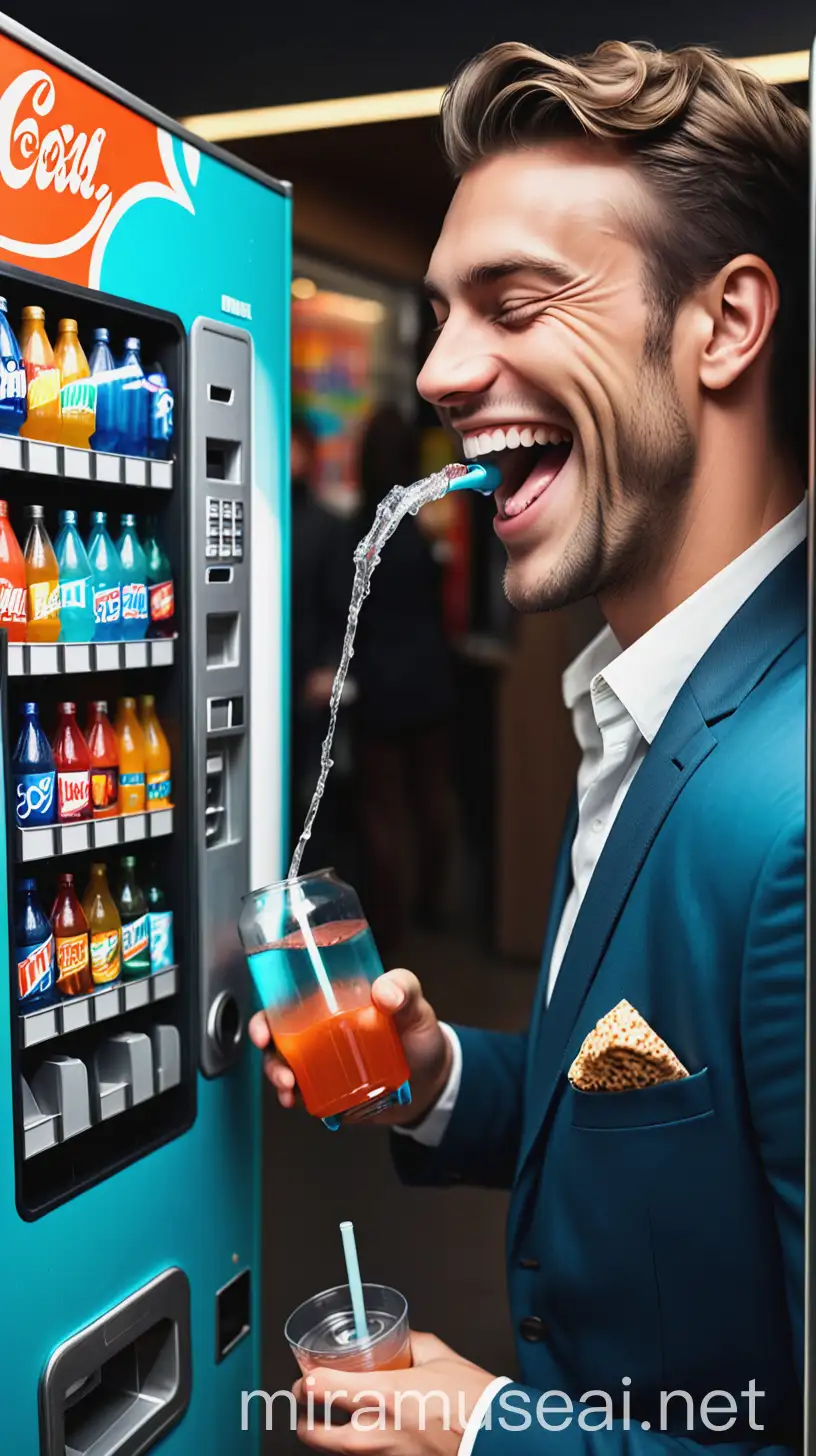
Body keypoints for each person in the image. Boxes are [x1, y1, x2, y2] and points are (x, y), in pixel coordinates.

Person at [254, 41, 807, 1456]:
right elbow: (641, 1107)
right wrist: (442, 1077)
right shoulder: (639, 697)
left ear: (726, 323)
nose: (441, 372)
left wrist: (484, 1431)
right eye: (439, 316)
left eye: (514, 303)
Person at [353, 403, 457, 957]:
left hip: (381, 689)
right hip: (431, 681)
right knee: (432, 801)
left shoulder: (363, 533)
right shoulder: (420, 534)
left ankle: (388, 932)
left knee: (382, 814)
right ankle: (433, 906)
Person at [289, 416, 353, 867]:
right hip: (266, 675)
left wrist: (330, 668)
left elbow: (342, 607)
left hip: (308, 679)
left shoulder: (327, 525)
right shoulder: (261, 518)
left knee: (308, 801)